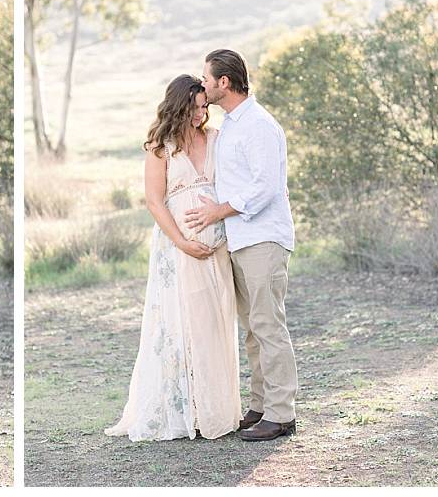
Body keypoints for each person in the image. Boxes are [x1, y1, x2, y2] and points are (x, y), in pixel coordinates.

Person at [105, 75, 241, 441]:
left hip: (217, 247)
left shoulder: (215, 138)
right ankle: (186, 410)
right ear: (178, 105)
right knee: (184, 322)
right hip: (178, 249)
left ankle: (215, 409)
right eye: (195, 107)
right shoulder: (160, 147)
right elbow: (154, 200)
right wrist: (181, 241)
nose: (201, 115)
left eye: (204, 107)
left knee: (215, 322)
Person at [185, 48, 298, 441]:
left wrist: (218, 212)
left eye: (206, 78)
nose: (202, 83)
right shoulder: (233, 123)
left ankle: (282, 413)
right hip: (240, 240)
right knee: (253, 328)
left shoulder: (259, 125)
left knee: (269, 326)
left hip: (263, 237)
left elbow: (265, 187)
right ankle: (261, 405)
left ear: (224, 82)